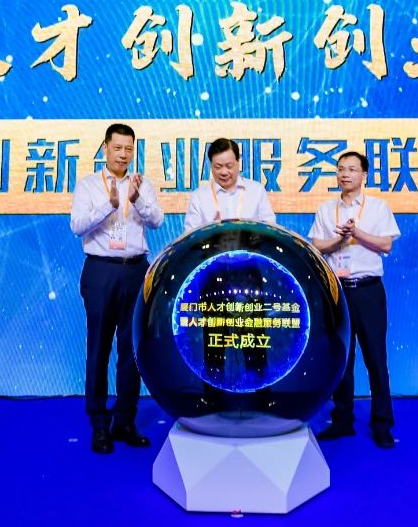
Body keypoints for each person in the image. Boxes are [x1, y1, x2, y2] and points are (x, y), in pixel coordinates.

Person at [69, 123, 164, 454]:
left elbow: (157, 221)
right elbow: (77, 225)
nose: (123, 154)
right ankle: (99, 423)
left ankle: (125, 420)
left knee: (131, 349)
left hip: (135, 270)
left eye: (129, 149)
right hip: (101, 271)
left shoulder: (142, 184)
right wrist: (108, 204)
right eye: (118, 148)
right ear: (105, 148)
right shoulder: (88, 185)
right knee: (98, 348)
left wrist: (136, 201)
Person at [309, 150, 401, 448]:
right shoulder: (326, 209)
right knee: (341, 358)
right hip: (338, 290)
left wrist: (356, 233)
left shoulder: (378, 207)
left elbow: (386, 245)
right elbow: (317, 246)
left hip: (368, 290)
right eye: (340, 169)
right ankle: (342, 420)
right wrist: (340, 239)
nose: (344, 174)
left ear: (364, 175)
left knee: (376, 358)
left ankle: (382, 423)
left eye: (351, 169)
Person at [182, 137, 277, 232]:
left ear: (238, 163)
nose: (224, 172)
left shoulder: (256, 191)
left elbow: (270, 229)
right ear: (211, 166)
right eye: (218, 167)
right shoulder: (199, 197)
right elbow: (190, 235)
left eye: (229, 166)